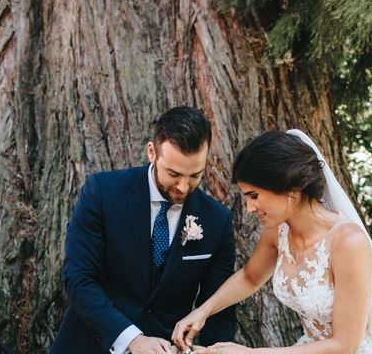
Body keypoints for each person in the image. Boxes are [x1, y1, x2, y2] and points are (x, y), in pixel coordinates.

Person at [172, 129, 372, 354]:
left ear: (289, 187)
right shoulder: (278, 231)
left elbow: (345, 345)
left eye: (254, 196)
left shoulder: (348, 242)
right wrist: (202, 312)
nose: (249, 208)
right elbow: (250, 277)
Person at [50, 106, 236, 354]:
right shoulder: (102, 193)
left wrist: (214, 351)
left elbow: (218, 307)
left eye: (195, 175)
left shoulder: (217, 220)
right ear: (152, 152)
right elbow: (79, 279)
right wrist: (133, 339)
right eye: (174, 173)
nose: (183, 187)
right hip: (89, 345)